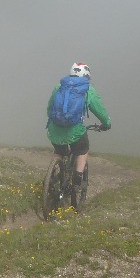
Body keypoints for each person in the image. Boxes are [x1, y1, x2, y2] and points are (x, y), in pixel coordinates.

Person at [46, 63, 111, 199]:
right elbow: (100, 111)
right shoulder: (88, 89)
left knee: (59, 152)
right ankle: (77, 180)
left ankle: (52, 176)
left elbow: (50, 107)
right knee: (82, 150)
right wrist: (106, 124)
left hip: (55, 129)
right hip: (75, 131)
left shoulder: (59, 87)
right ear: (87, 76)